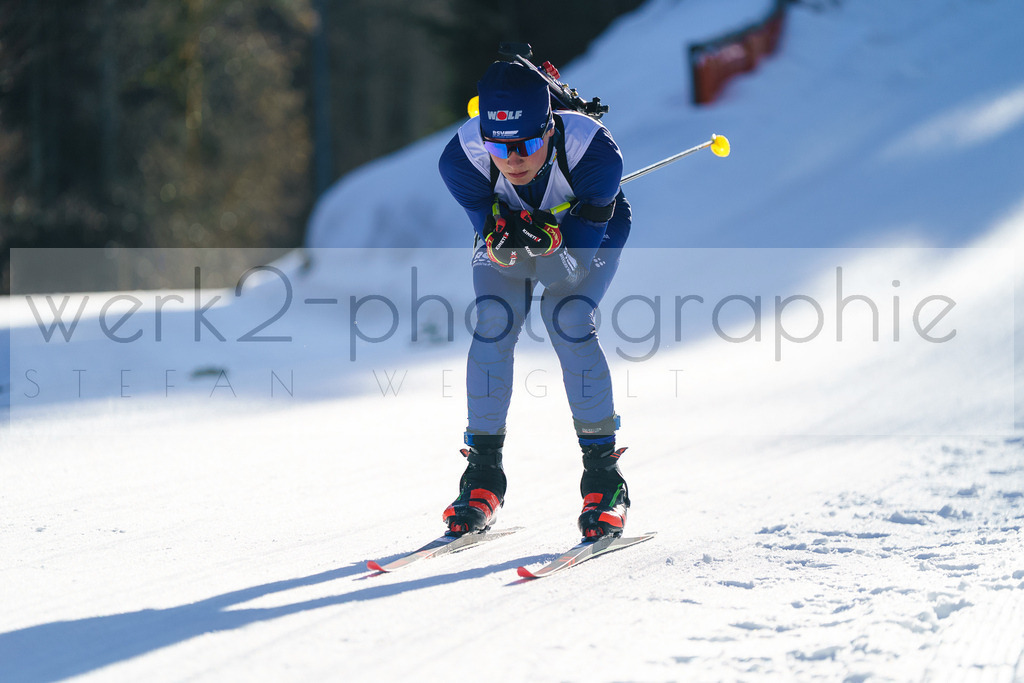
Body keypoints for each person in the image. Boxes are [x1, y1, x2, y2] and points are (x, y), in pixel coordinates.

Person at [437, 60, 632, 540]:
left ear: (549, 128)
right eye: (500, 146)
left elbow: (570, 270)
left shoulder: (595, 155)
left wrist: (549, 244)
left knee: (566, 317)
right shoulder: (461, 160)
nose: (514, 159)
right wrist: (507, 238)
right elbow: (492, 238)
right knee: (494, 321)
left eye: (526, 144)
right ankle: (482, 477)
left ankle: (605, 481)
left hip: (590, 234)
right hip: (519, 230)